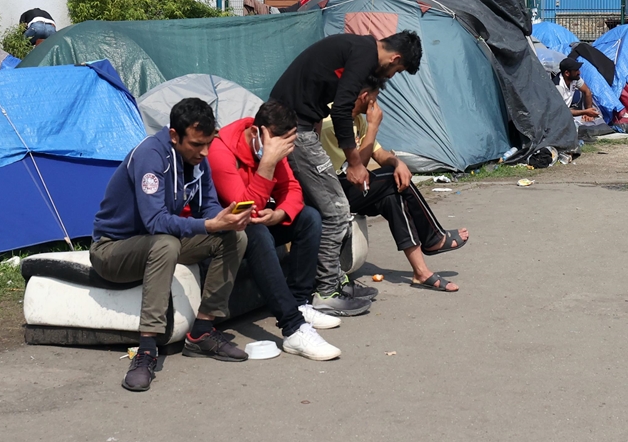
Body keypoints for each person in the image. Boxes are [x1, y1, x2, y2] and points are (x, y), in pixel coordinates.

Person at [90, 98, 251, 392]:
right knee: (165, 243)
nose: (204, 152)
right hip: (112, 250)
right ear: (174, 135)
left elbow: (208, 207)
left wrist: (226, 219)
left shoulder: (197, 160)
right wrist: (209, 225)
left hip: (156, 244)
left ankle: (202, 332)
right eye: (196, 144)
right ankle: (146, 351)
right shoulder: (151, 156)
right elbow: (155, 222)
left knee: (233, 237)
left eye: (209, 143)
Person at [270, 31, 422, 316]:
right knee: (337, 209)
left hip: (300, 125)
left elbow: (318, 89)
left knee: (326, 207)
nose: (391, 75)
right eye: (397, 70)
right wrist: (355, 163)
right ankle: (326, 292)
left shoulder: (357, 48)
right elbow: (341, 109)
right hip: (293, 129)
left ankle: (335, 281)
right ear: (395, 58)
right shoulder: (365, 55)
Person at [209, 100, 343, 360]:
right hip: (226, 230)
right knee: (256, 233)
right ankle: (293, 328)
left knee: (309, 218)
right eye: (281, 145)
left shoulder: (271, 145)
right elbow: (244, 209)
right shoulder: (220, 151)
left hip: (257, 220)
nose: (283, 153)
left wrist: (280, 213)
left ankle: (300, 302)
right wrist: (268, 162)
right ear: (256, 133)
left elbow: (292, 188)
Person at [321, 77, 469, 292]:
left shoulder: (357, 119)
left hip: (352, 186)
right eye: (375, 97)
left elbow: (378, 153)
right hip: (332, 189)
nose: (376, 102)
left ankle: (421, 272)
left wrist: (398, 163)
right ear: (365, 97)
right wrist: (373, 127)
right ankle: (433, 237)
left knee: (392, 196)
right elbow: (358, 169)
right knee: (391, 178)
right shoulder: (331, 120)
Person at [555, 57, 599, 123]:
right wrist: (585, 112)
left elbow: (587, 91)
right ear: (567, 73)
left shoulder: (575, 79)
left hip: (567, 112)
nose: (579, 72)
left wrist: (588, 112)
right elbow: (561, 111)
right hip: (558, 117)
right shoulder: (558, 87)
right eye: (576, 70)